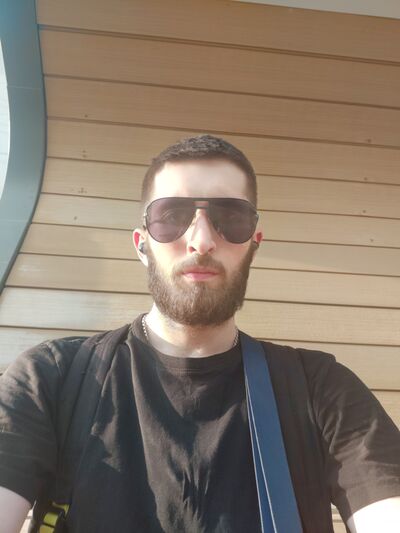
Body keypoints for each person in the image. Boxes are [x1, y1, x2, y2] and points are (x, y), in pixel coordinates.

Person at [0, 135, 399, 533]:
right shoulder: (51, 378)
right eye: (172, 216)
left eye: (232, 218)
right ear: (142, 245)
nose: (202, 240)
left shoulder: (320, 390)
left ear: (254, 245)